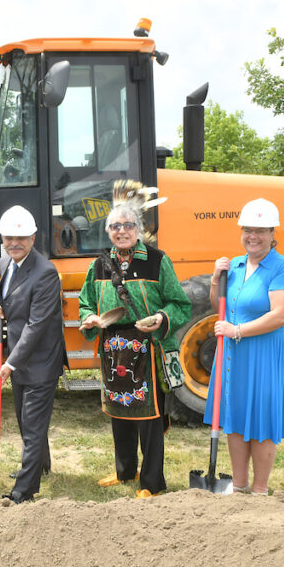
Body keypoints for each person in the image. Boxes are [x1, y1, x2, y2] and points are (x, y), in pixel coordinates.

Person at [79, 181, 191, 498]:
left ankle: (151, 482)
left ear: (139, 228)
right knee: (120, 412)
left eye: (128, 225)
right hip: (114, 351)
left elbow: (180, 305)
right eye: (115, 226)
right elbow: (86, 301)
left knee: (149, 416)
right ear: (108, 231)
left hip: (149, 348)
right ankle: (125, 471)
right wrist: (89, 317)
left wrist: (160, 318)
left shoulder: (157, 261)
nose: (121, 231)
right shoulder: (99, 266)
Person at [204, 198, 284, 496]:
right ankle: (239, 485)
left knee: (261, 420)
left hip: (266, 354)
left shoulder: (283, 267)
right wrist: (214, 281)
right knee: (234, 417)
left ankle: (259, 490)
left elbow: (280, 315)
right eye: (247, 230)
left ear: (273, 234)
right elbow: (219, 307)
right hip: (234, 354)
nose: (252, 236)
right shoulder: (234, 265)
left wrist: (237, 330)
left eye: (260, 230)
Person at [0, 205, 66, 504]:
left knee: (33, 426)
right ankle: (40, 465)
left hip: (40, 360)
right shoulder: (4, 262)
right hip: (19, 357)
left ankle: (23, 491)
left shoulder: (46, 273)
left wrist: (10, 363)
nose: (14, 243)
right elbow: (9, 294)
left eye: (21, 238)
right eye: (9, 237)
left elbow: (37, 325)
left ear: (33, 238)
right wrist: (1, 305)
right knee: (26, 422)